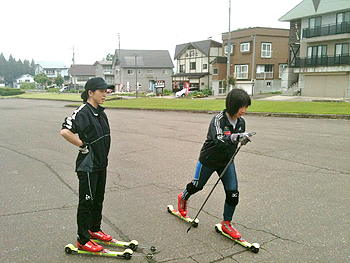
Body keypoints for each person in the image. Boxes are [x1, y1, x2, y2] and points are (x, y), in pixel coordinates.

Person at [178, 88, 252, 239]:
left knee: (233, 193)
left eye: (246, 107)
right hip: (209, 160)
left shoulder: (241, 122)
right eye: (241, 106)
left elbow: (236, 140)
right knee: (197, 185)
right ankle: (183, 197)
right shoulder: (218, 119)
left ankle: (226, 223)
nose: (244, 110)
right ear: (232, 105)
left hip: (226, 162)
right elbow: (219, 140)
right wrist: (235, 138)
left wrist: (242, 140)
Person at [61, 77, 113, 252]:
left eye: (106, 91)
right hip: (88, 165)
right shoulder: (83, 111)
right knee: (87, 202)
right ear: (90, 93)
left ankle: (94, 229)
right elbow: (65, 131)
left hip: (100, 164)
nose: (105, 94)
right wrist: (82, 145)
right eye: (101, 91)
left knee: (98, 200)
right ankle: (83, 239)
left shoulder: (101, 112)